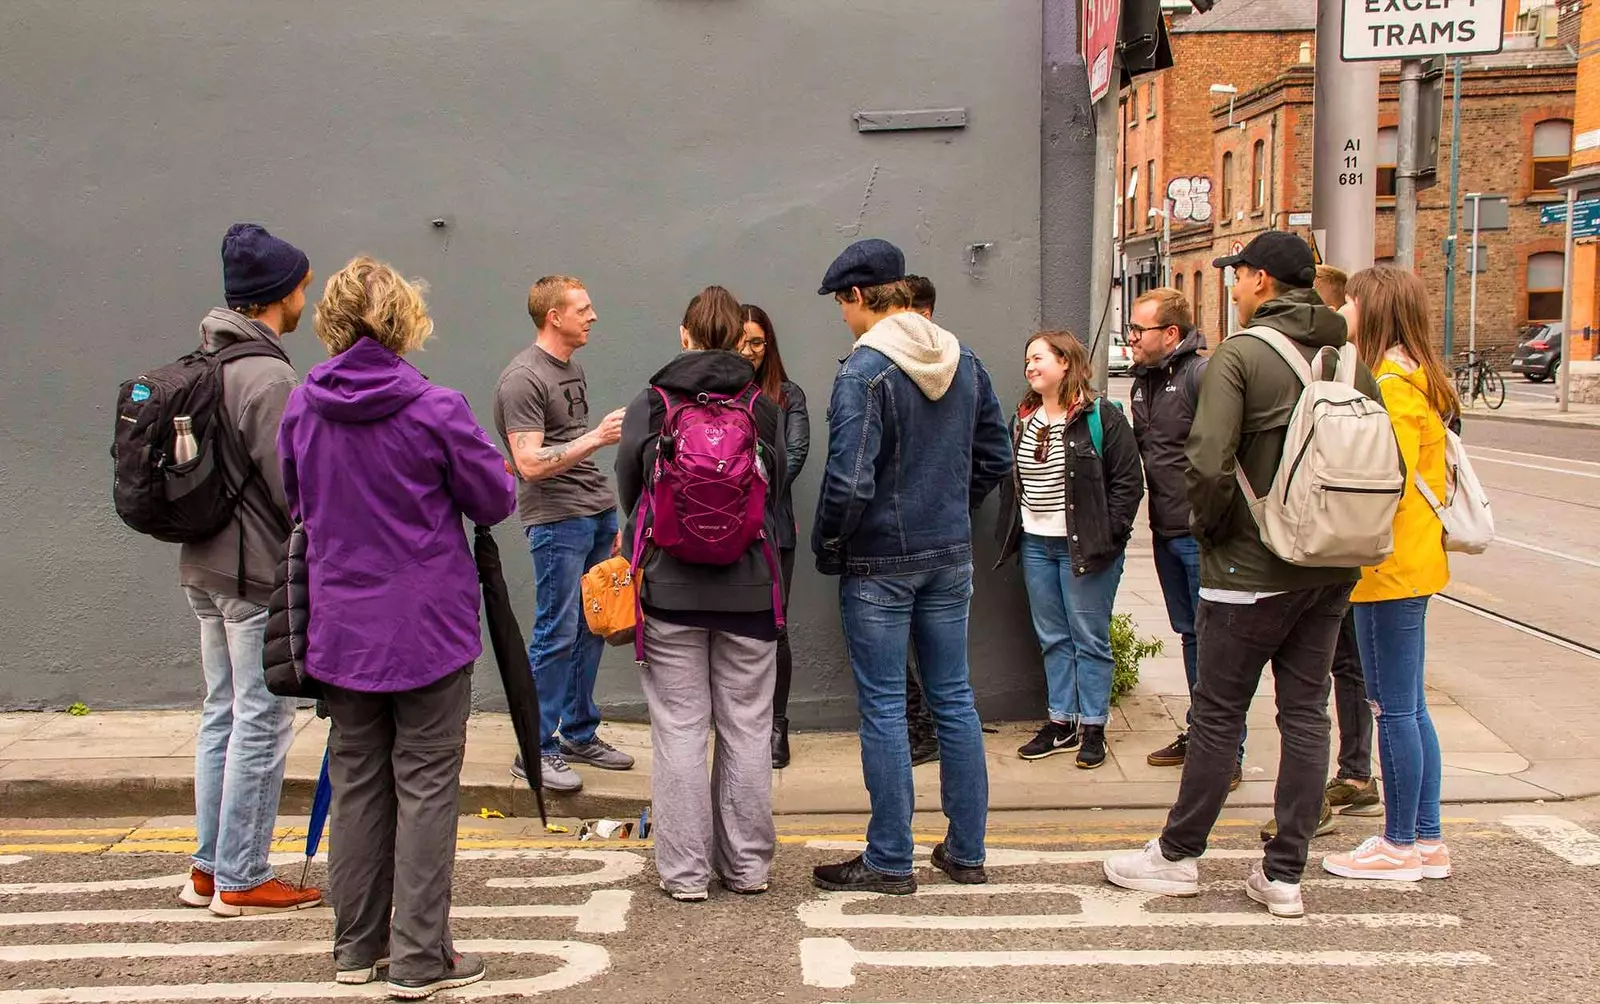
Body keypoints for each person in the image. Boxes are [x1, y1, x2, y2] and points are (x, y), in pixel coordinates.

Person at [1102, 231, 1383, 920]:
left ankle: (1176, 856)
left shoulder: (1244, 355)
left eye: (1238, 274)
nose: (1232, 283)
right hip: (1330, 564)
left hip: (1249, 569)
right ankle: (1284, 874)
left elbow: (1206, 460)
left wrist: (1212, 532)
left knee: (1219, 711)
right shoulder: (1349, 363)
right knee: (1305, 712)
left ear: (1260, 280)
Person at [279, 256, 516, 996]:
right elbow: (494, 498)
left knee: (356, 786)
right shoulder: (435, 407)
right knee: (425, 787)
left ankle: (356, 950)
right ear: (404, 320)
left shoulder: (303, 406)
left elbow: (295, 499)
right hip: (427, 628)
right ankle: (419, 958)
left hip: (341, 627)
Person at [810, 239, 1013, 895]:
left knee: (886, 711)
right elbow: (995, 457)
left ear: (859, 296)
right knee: (955, 699)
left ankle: (890, 860)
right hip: (949, 554)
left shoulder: (863, 372)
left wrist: (828, 546)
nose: (843, 318)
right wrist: (953, 507)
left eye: (842, 305)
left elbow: (848, 481)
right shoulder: (966, 358)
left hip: (880, 564)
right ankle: (967, 852)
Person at [617, 286, 786, 902]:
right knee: (746, 728)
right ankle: (747, 868)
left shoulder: (653, 401)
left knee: (681, 730)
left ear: (685, 335)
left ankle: (685, 873)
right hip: (748, 591)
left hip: (669, 591)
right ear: (737, 339)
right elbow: (780, 483)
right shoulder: (760, 405)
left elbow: (629, 490)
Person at [178, 223, 322, 916]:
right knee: (262, 721)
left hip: (203, 566)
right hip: (255, 572)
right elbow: (293, 485)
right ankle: (240, 875)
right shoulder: (268, 376)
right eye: (300, 285)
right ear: (275, 296)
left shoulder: (207, 362)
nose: (305, 296)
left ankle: (209, 866)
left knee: (222, 715)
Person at [1322, 266, 1457, 882]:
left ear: (1372, 310)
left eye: (1350, 302)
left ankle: (1399, 842)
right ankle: (1425, 838)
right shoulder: (1416, 375)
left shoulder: (1395, 386)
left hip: (1389, 568)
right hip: (1411, 563)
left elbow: (1384, 478)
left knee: (1392, 708)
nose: (1343, 309)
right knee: (1411, 706)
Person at [494, 276, 634, 793]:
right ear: (554, 316)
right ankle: (534, 749)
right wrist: (598, 436)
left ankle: (577, 732)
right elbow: (529, 463)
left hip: (591, 514)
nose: (593, 316)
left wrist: (609, 515)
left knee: (592, 627)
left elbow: (568, 448)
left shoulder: (569, 368)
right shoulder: (522, 379)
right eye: (583, 308)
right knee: (555, 633)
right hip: (556, 521)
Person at [998, 332, 1144, 769]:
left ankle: (1094, 725)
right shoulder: (1024, 418)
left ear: (1066, 362)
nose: (1029, 367)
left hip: (1085, 548)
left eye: (1038, 358)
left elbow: (1128, 484)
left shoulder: (1102, 417)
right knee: (1053, 638)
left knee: (1089, 639)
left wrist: (1109, 537)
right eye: (1027, 360)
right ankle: (1062, 722)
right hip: (1037, 545)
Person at [1125, 288, 1239, 782]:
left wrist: (1208, 522)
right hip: (1165, 530)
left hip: (1199, 533)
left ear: (1171, 334)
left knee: (1216, 643)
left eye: (1138, 330)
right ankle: (1201, 733)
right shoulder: (1142, 383)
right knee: (1191, 635)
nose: (1130, 338)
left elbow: (1224, 454)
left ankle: (1226, 752)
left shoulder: (1200, 375)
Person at [738, 304, 809, 770]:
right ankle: (739, 723)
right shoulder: (715, 393)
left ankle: (776, 726)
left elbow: (797, 453)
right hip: (721, 531)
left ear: (770, 346)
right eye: (741, 341)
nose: (748, 351)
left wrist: (752, 490)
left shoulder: (787, 395)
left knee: (774, 627)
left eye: (757, 342)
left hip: (773, 529)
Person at [901, 275, 942, 767]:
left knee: (911, 656)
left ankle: (924, 729)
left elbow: (988, 455)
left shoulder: (876, 369)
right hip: (939, 536)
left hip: (900, 542)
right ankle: (924, 728)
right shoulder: (965, 363)